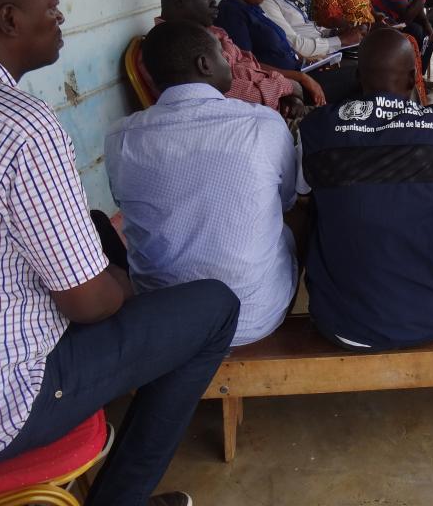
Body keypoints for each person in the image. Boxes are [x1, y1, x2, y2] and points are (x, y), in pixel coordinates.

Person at [0, 0, 239, 506]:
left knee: (90, 232)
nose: (62, 20)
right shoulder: (20, 125)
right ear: (9, 19)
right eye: (52, 8)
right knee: (212, 307)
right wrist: (125, 285)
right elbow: (90, 305)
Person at [105, 20, 299, 348]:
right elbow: (288, 200)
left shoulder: (120, 137)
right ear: (204, 64)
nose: (230, 64)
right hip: (252, 319)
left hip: (164, 321)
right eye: (224, 57)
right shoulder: (262, 123)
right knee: (295, 218)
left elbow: (126, 204)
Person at [299, 29, 433, 351]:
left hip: (341, 322)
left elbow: (303, 196)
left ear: (358, 75)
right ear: (411, 79)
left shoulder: (318, 128)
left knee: (312, 205)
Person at [152, 0, 305, 120]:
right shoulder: (172, 48)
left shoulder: (212, 31)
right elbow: (231, 93)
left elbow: (252, 67)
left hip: (279, 106)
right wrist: (288, 86)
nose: (214, 3)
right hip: (253, 121)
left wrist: (288, 95)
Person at [215, 0, 358, 105]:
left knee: (358, 69)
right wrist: (301, 78)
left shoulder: (252, 7)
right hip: (288, 86)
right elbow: (249, 66)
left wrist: (307, 60)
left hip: (300, 71)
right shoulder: (232, 13)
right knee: (358, 77)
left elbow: (280, 43)